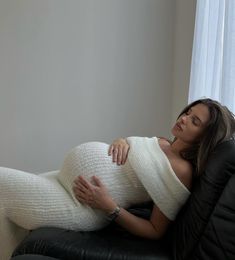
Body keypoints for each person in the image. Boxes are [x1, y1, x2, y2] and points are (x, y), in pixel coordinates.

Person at [0, 98, 234, 260]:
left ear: (205, 137)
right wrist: (122, 140)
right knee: (6, 214)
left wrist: (109, 206)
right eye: (188, 112)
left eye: (195, 121)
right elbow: (133, 153)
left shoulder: (182, 171)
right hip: (64, 181)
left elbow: (155, 230)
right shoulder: (164, 142)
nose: (184, 118)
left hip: (81, 204)